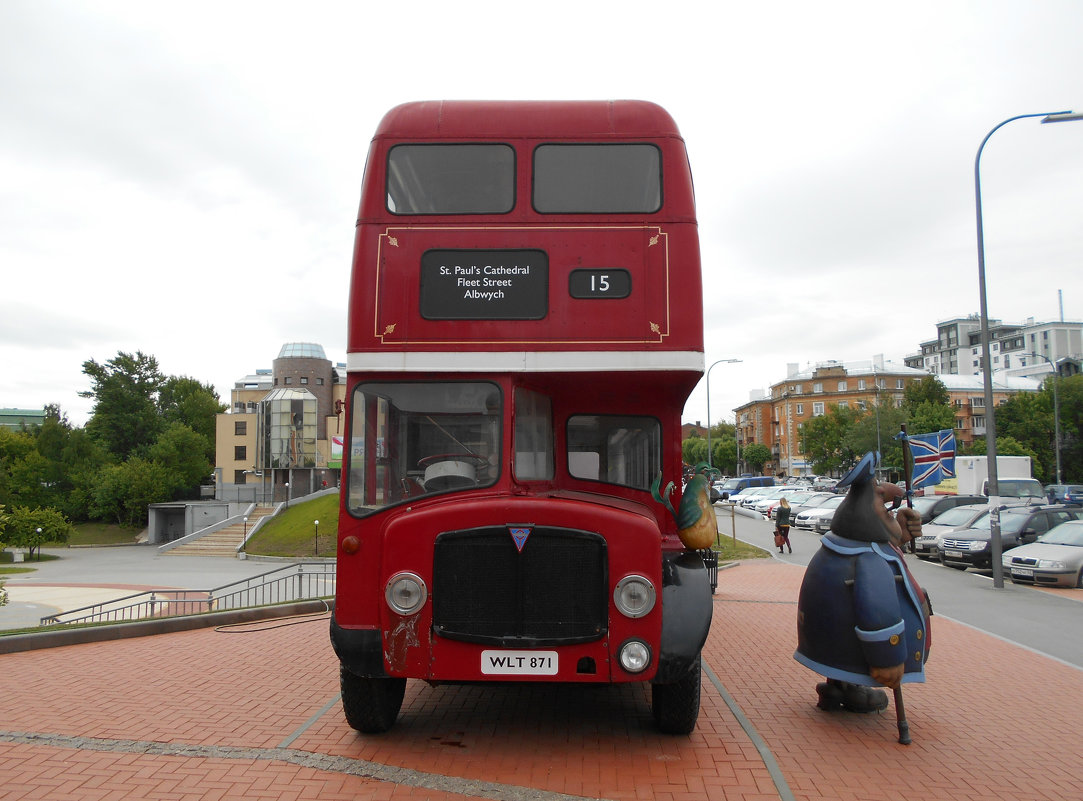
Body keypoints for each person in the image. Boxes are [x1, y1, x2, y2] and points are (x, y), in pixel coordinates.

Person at [794, 452, 931, 713]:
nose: (889, 504)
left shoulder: (845, 546)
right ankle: (847, 686)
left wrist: (898, 534)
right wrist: (887, 659)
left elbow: (883, 545)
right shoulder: (867, 560)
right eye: (881, 498)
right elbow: (877, 609)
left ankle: (837, 686)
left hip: (833, 649)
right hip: (855, 654)